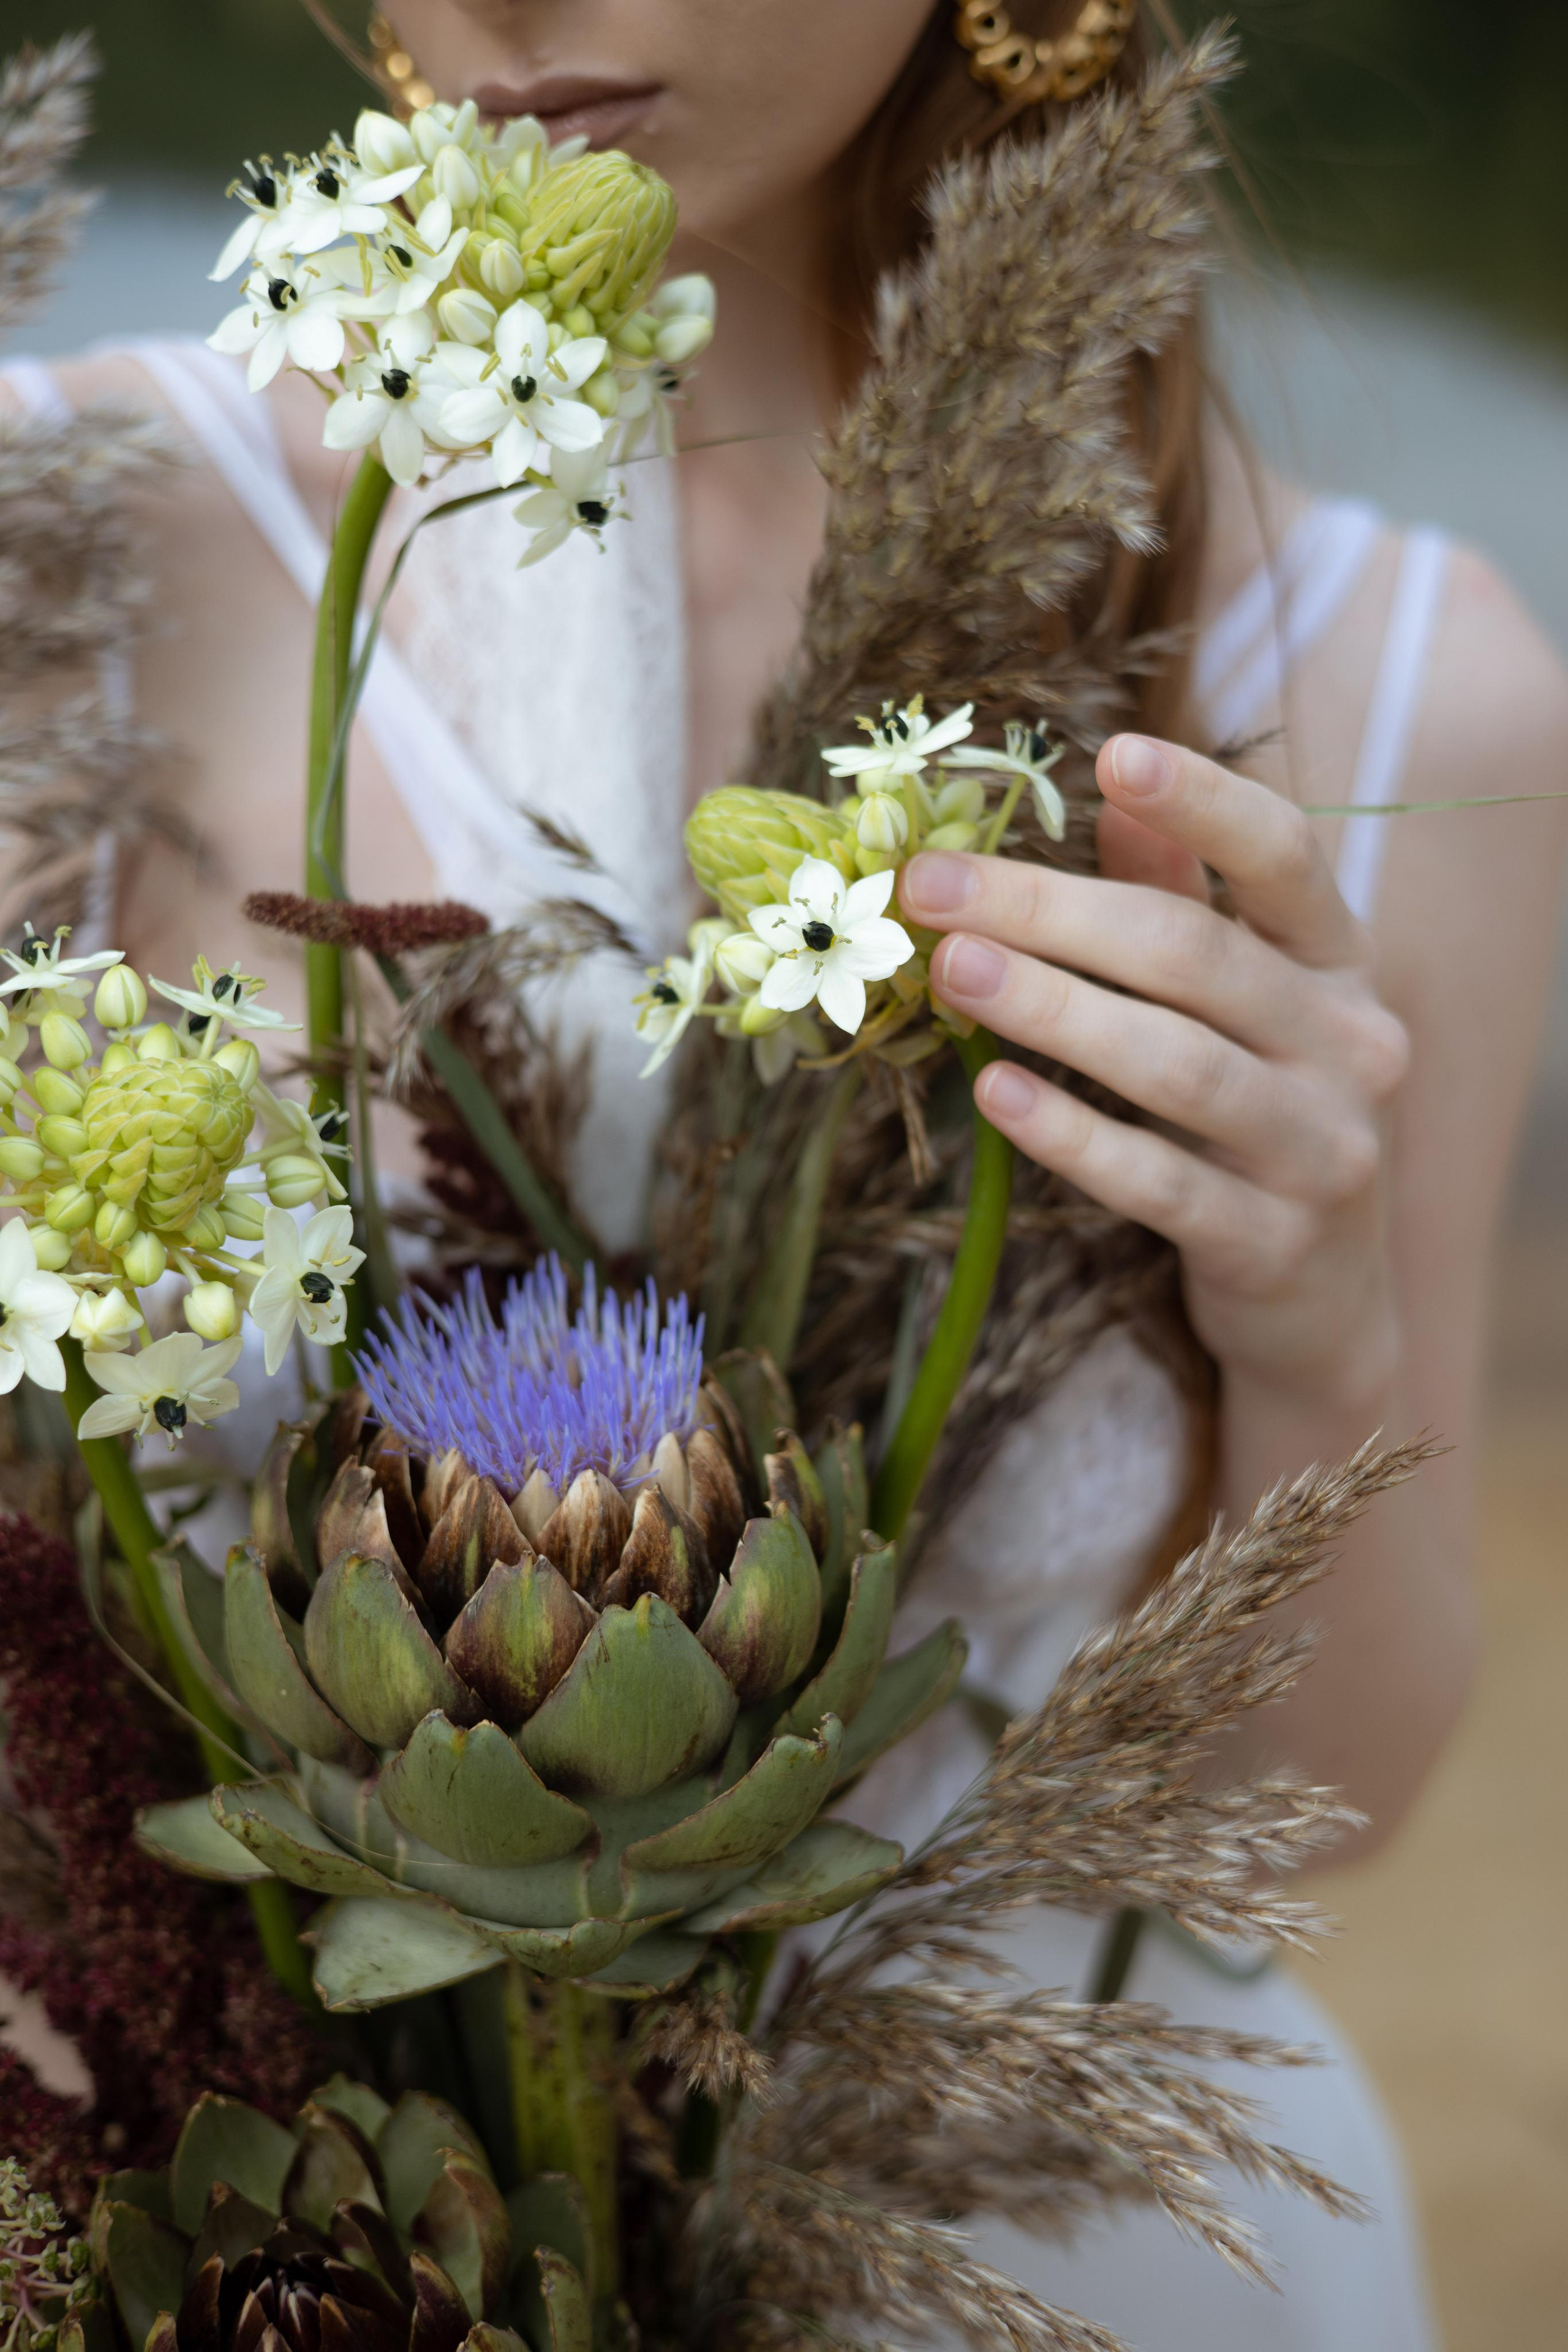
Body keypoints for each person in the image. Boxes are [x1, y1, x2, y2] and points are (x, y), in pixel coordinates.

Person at [3, 3, 1566, 2344]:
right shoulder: (81, 550)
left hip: (1056, 2250)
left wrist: (1308, 1319)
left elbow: (1315, 1824)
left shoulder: (1398, 685)